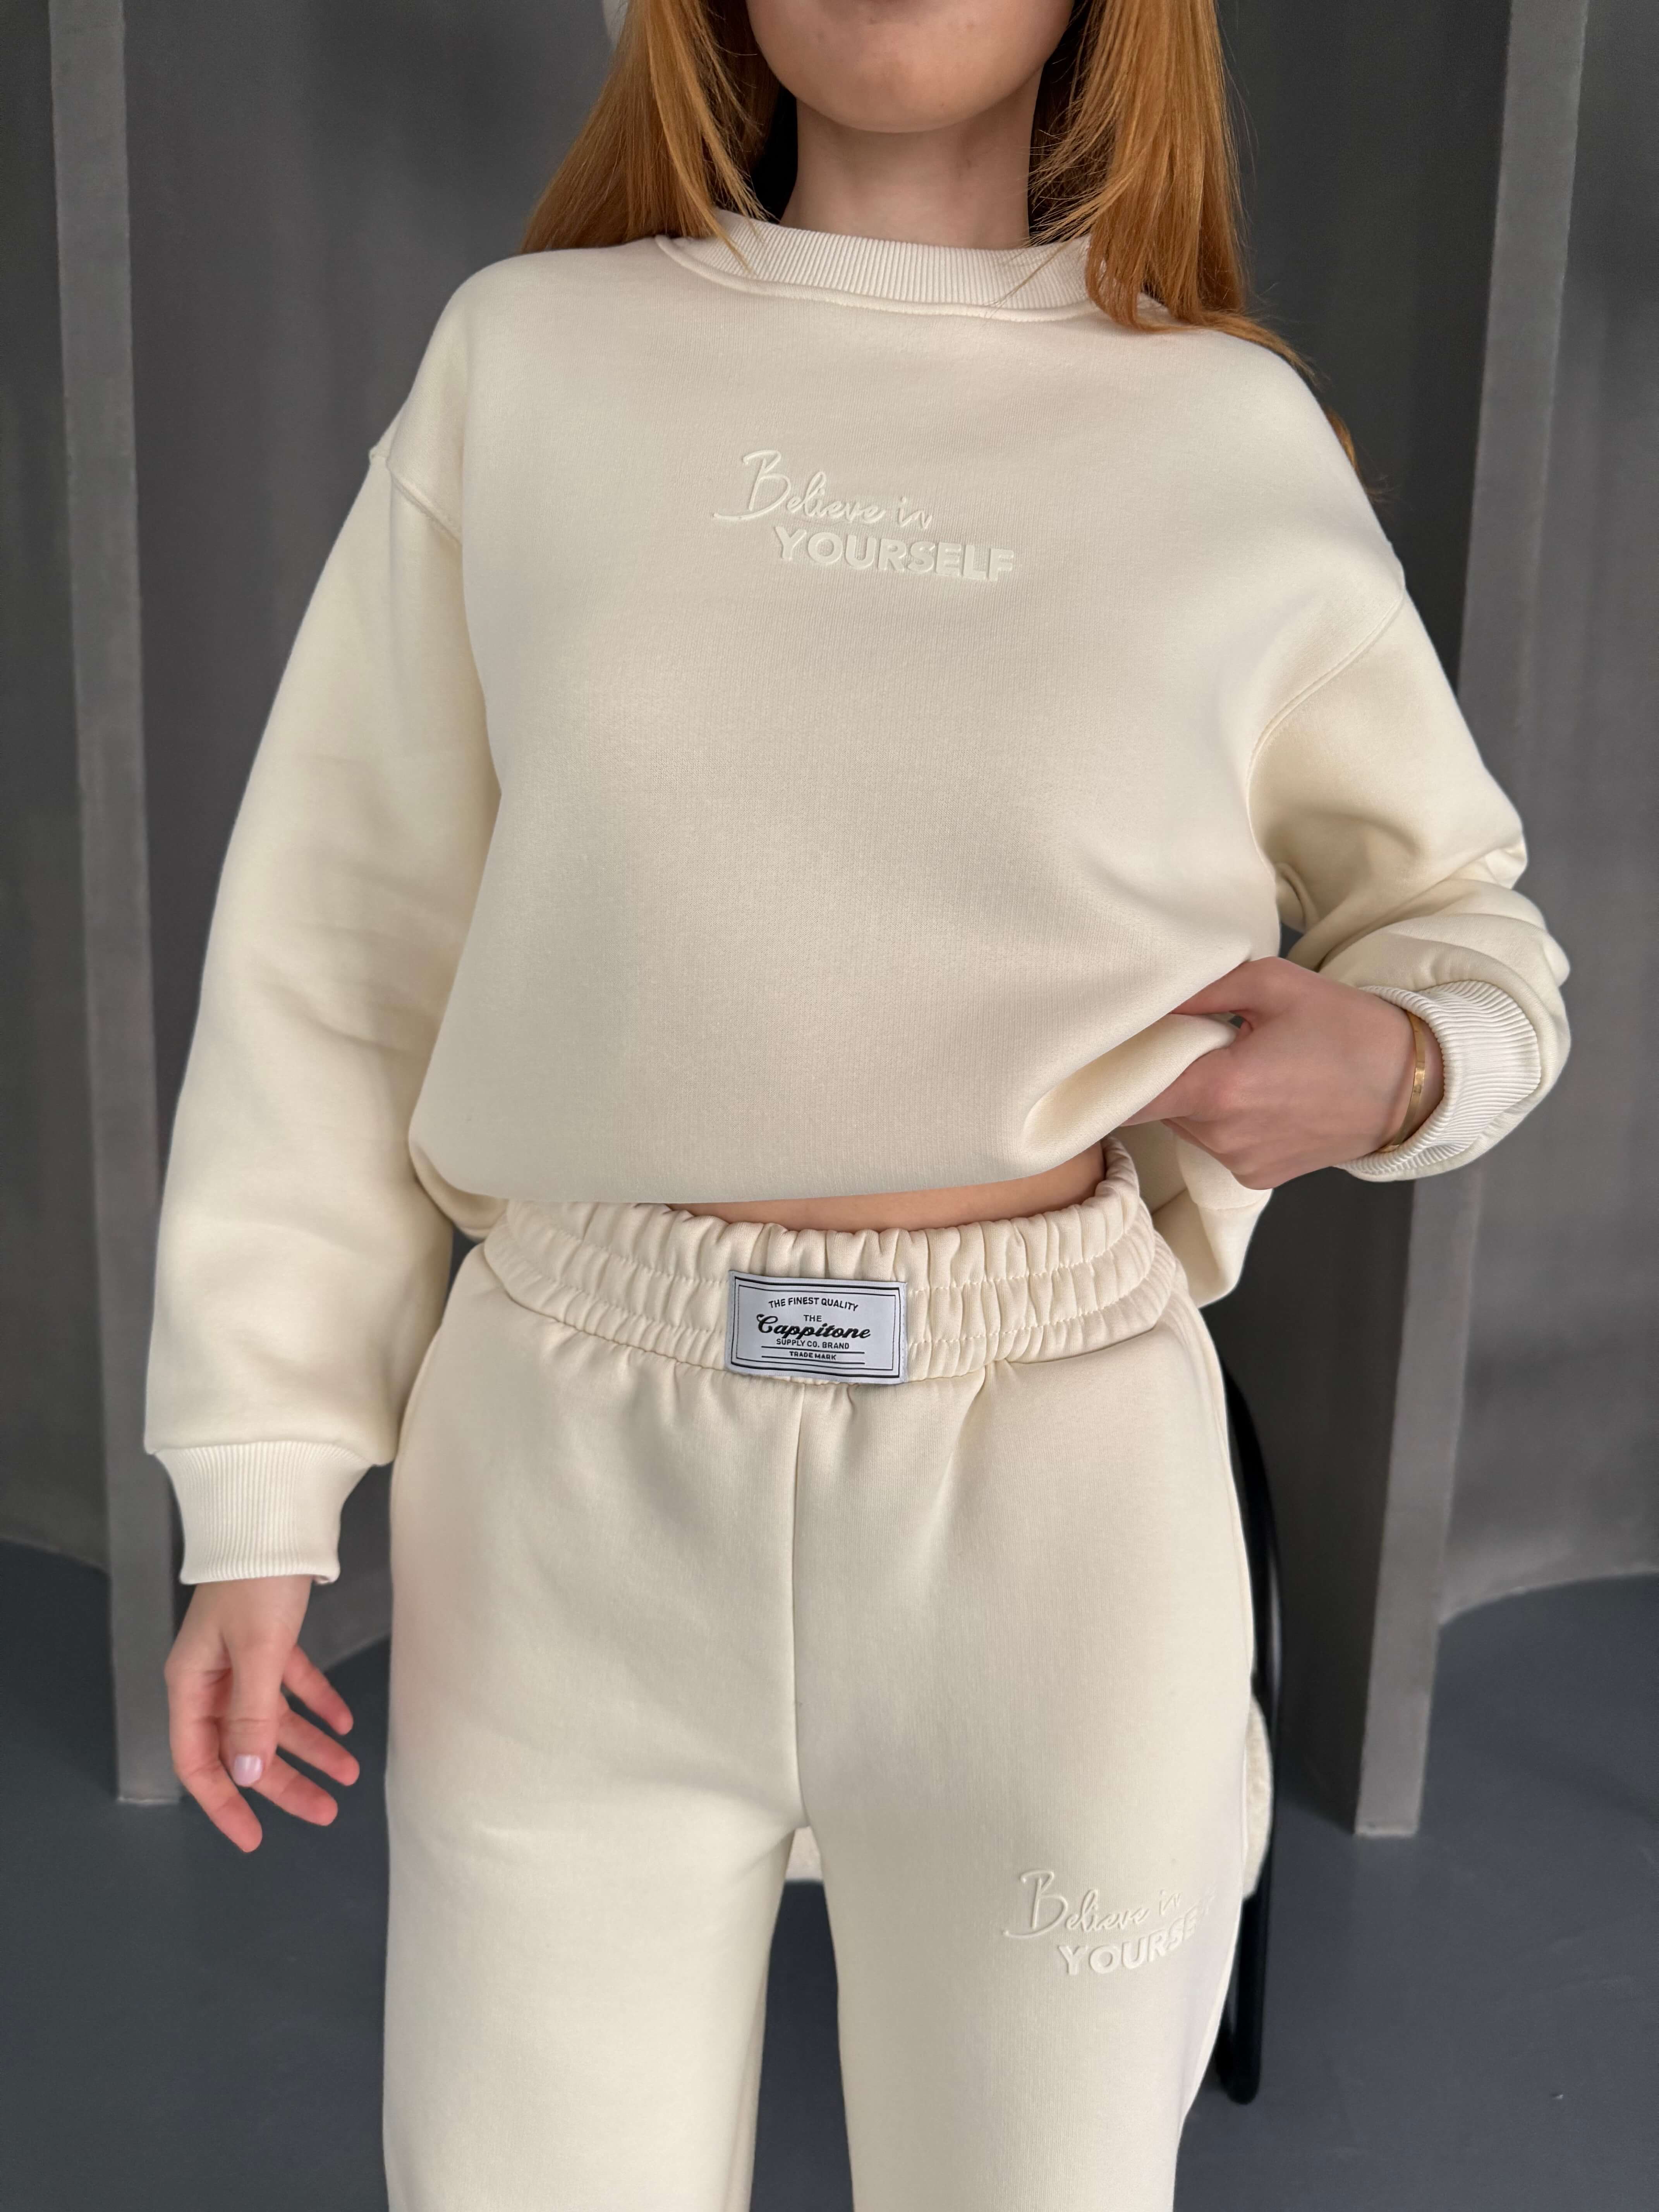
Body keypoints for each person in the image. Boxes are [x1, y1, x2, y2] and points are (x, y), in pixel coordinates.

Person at [145, 1, 1570, 2205]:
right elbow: (343, 943)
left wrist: (1402, 1061)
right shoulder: (532, 365)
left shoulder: (1221, 430)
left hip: (1065, 1501)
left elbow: (1463, 921)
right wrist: (258, 1488)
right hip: (566, 1478)